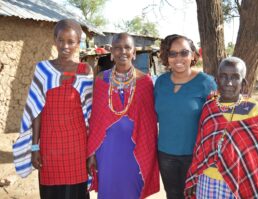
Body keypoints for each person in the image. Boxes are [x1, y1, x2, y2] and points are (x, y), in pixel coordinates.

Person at [12, 19, 93, 199]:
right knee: (51, 193)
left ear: (78, 43)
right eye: (61, 40)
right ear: (54, 41)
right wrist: (35, 146)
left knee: (77, 193)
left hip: (77, 147)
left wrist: (91, 152)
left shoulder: (85, 71)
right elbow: (36, 111)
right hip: (50, 148)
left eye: (71, 42)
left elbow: (90, 114)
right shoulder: (43, 70)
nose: (65, 46)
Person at [87, 32, 159, 199]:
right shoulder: (100, 80)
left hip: (135, 151)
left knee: (131, 192)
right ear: (111, 53)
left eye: (127, 47)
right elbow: (95, 120)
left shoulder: (145, 83)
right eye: (117, 48)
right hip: (106, 151)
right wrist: (91, 152)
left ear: (134, 53)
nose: (122, 52)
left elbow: (149, 125)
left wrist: (149, 155)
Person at [185, 57, 258, 199]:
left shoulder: (252, 109)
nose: (229, 82)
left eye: (235, 77)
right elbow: (200, 146)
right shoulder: (209, 107)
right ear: (216, 80)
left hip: (238, 181)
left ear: (243, 82)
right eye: (223, 76)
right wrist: (194, 177)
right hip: (207, 180)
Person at [154, 34, 217, 199]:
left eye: (184, 52)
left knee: (195, 196)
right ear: (166, 57)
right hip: (165, 154)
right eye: (172, 54)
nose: (178, 58)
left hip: (196, 155)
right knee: (173, 195)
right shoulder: (161, 82)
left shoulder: (207, 83)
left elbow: (222, 117)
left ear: (193, 55)